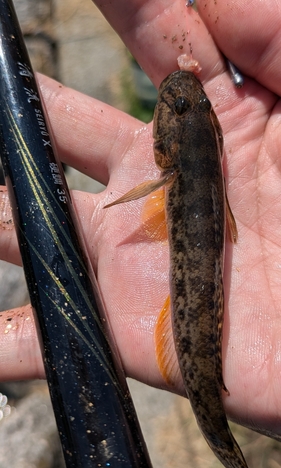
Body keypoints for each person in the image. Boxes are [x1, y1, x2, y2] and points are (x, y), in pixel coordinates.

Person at [0, 0, 280, 439]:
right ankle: (215, 426)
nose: (186, 101)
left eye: (190, 108)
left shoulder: (180, 162)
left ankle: (215, 424)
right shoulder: (205, 155)